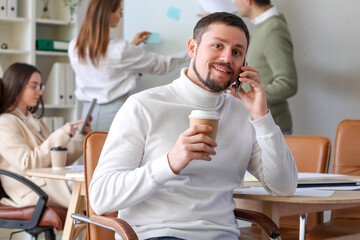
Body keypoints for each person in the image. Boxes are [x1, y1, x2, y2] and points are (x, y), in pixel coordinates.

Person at [89, 12, 298, 240]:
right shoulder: (144, 106)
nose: (227, 57)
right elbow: (101, 198)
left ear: (244, 64)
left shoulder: (243, 114)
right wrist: (170, 162)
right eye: (217, 45)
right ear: (192, 48)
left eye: (237, 52)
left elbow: (284, 187)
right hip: (157, 235)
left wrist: (262, 116)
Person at [68, 0, 190, 132]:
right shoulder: (120, 50)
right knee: (115, 151)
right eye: (119, 12)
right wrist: (192, 51)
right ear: (108, 14)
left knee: (91, 150)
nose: (121, 16)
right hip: (113, 113)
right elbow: (162, 65)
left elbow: (104, 66)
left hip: (87, 114)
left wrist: (131, 47)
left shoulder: (74, 45)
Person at [0, 62, 91, 208]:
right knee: (95, 194)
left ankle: (99, 229)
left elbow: (58, 161)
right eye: (34, 86)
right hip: (30, 188)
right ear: (16, 86)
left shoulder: (35, 121)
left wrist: (80, 136)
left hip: (46, 181)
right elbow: (27, 163)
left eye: (40, 86)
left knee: (96, 186)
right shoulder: (4, 123)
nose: (40, 92)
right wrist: (61, 134)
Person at [234, 0, 298, 134]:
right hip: (261, 127)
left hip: (272, 129)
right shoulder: (263, 27)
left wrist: (247, 98)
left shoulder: (273, 29)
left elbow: (288, 84)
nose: (234, 3)